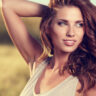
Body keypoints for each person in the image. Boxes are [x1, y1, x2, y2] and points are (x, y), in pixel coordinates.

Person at [1, 0, 96, 96]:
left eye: (79, 24)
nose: (71, 33)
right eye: (62, 23)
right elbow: (7, 6)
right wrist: (52, 13)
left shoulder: (87, 81)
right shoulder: (38, 64)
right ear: (48, 27)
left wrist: (56, 15)